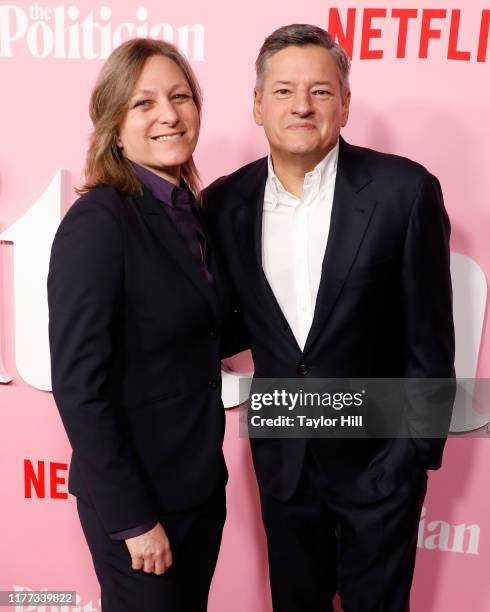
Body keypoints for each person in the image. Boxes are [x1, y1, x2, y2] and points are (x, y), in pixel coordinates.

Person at [204, 24, 455, 612]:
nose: (302, 105)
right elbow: (230, 321)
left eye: (321, 91)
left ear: (345, 104)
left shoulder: (404, 190)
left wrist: (410, 456)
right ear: (258, 105)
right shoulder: (223, 202)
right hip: (283, 462)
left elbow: (431, 339)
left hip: (379, 466)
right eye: (285, 90)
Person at [48, 38, 230, 611]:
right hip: (139, 502)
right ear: (113, 123)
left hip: (197, 488)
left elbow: (200, 334)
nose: (169, 115)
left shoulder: (188, 213)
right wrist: (132, 518)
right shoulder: (99, 221)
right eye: (144, 103)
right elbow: (79, 388)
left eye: (180, 97)